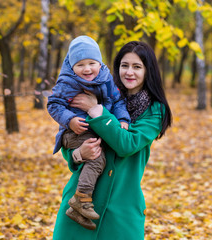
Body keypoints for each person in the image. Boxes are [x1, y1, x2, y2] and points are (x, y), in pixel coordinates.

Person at [52, 41, 172, 240]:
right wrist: (78, 154)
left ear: (148, 70)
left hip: (121, 211)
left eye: (137, 67)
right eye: (124, 66)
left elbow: (127, 145)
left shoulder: (154, 110)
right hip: (81, 205)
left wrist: (97, 110)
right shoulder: (100, 91)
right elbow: (70, 135)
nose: (129, 72)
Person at [47, 35, 130, 230]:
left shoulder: (106, 79)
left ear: (99, 63)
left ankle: (78, 211)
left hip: (92, 128)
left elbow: (117, 101)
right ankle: (81, 199)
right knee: (97, 158)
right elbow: (53, 104)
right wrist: (70, 120)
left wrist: (124, 119)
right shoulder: (68, 83)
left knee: (97, 157)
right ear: (71, 66)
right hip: (75, 131)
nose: (87, 69)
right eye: (80, 64)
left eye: (92, 63)